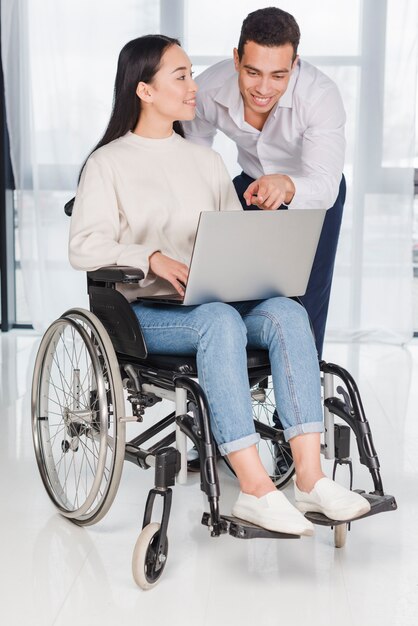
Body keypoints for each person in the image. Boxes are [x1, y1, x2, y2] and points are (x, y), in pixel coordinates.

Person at [69, 35, 369, 537]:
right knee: (220, 321)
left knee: (287, 313)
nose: (195, 86)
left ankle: (311, 480)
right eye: (181, 76)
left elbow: (234, 240)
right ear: (144, 91)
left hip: (210, 303)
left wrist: (263, 260)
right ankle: (254, 490)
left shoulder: (206, 163)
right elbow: (83, 247)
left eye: (190, 73)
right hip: (146, 314)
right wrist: (150, 257)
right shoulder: (108, 163)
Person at [183, 7, 346, 360]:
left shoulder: (320, 96)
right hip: (249, 185)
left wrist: (287, 185)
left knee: (306, 297)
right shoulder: (210, 89)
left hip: (312, 192)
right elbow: (194, 154)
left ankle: (299, 392)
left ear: (295, 64)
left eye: (278, 75)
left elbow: (325, 184)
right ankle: (239, 379)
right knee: (228, 286)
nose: (263, 88)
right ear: (236, 58)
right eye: (253, 72)